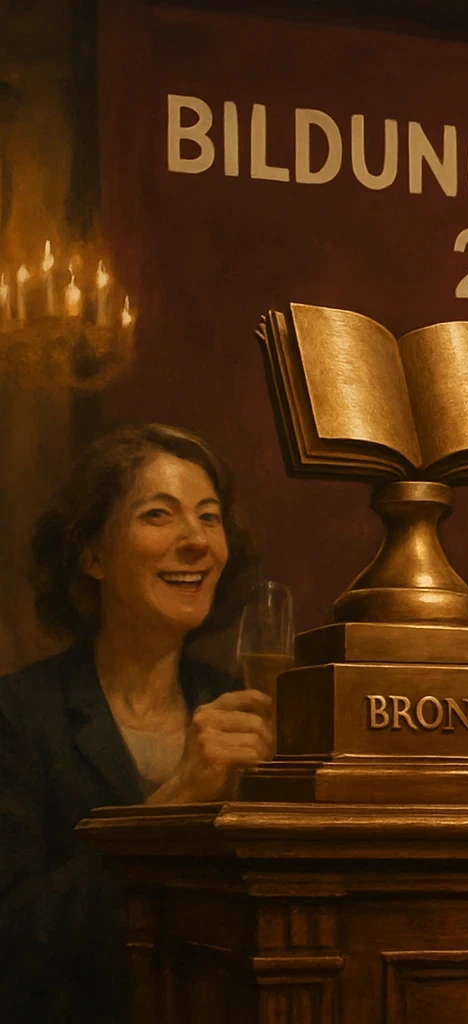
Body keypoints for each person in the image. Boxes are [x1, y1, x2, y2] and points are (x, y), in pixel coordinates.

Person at [0, 424, 275, 1023]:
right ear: (91, 554)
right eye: (159, 515)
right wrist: (176, 799)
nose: (197, 541)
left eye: (209, 517)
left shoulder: (242, 714)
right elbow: (13, 942)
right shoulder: (19, 715)